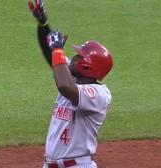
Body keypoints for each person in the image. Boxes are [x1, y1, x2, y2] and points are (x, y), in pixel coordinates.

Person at [28, 0, 113, 167]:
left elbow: (65, 87)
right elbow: (50, 55)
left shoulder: (99, 95)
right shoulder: (74, 79)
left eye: (79, 56)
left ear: (88, 66)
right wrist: (43, 24)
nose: (74, 58)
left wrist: (58, 49)